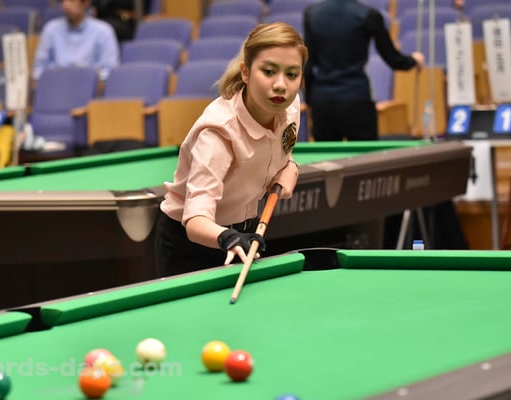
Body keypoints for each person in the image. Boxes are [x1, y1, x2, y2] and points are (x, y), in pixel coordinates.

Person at [154, 22, 307, 277]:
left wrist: (291, 166)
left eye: (292, 74)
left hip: (244, 233)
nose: (281, 85)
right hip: (192, 246)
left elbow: (282, 150)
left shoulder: (289, 107)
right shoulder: (219, 133)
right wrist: (229, 238)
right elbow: (195, 221)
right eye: (269, 71)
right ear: (245, 72)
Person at [303, 0, 425, 141]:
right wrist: (413, 60)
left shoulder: (311, 14)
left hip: (322, 101)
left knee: (327, 155)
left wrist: (311, 100)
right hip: (357, 98)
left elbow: (307, 64)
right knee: (364, 154)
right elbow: (393, 59)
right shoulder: (368, 14)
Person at [32, 0, 120, 82]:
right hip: (56, 85)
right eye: (63, 0)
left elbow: (110, 70)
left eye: (72, 0)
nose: (66, 5)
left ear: (86, 2)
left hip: (90, 87)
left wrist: (89, 78)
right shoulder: (51, 29)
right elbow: (38, 68)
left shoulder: (103, 31)